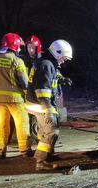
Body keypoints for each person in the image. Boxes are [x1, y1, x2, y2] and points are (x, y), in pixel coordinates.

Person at [26, 39, 73, 171]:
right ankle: (41, 162)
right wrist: (48, 110)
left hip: (38, 103)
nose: (63, 61)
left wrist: (62, 80)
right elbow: (42, 89)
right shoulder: (46, 64)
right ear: (58, 53)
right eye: (63, 58)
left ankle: (45, 155)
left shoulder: (46, 62)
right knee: (52, 132)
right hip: (41, 104)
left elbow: (52, 75)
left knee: (45, 132)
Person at [0, 32, 31, 159]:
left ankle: (0, 151)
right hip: (15, 99)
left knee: (1, 124)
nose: (20, 49)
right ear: (15, 45)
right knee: (22, 123)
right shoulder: (17, 61)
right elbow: (24, 83)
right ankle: (25, 150)